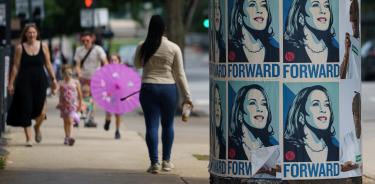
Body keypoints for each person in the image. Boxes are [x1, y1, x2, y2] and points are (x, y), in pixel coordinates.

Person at [134, 15, 192, 174]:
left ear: (150, 28)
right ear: (164, 29)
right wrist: (187, 96)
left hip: (148, 89)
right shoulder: (174, 48)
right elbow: (180, 74)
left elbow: (137, 64)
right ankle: (166, 162)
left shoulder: (143, 46)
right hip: (168, 90)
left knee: (151, 126)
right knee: (168, 125)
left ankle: (154, 163)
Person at [7, 23, 58, 147]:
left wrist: (53, 79)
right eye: (29, 32)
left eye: (33, 32)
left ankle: (37, 127)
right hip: (24, 82)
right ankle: (29, 139)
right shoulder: (20, 48)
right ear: (25, 34)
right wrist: (11, 83)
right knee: (26, 109)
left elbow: (48, 64)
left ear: (37, 34)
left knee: (41, 111)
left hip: (40, 81)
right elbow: (15, 67)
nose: (31, 34)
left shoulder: (43, 46)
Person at [228, 84, 279, 176]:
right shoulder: (230, 146)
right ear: (240, 114)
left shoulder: (272, 149)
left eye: (264, 104)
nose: (260, 109)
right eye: (252, 103)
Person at [284, 85, 339, 162]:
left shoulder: (337, 152)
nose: (323, 110)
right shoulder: (286, 149)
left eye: (326, 105)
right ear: (301, 117)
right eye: (315, 104)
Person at [74, 31, 108, 127]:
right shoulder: (79, 50)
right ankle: (80, 115)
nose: (85, 42)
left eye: (87, 40)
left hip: (96, 78)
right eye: (83, 40)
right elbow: (77, 65)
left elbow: (105, 62)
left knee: (93, 99)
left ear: (92, 39)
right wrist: (79, 72)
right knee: (84, 97)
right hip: (84, 77)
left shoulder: (98, 49)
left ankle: (90, 118)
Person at [56, 65, 82, 146]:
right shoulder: (61, 83)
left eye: (70, 73)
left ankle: (70, 137)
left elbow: (80, 95)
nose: (68, 75)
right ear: (63, 74)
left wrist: (80, 105)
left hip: (72, 105)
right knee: (65, 121)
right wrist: (54, 90)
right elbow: (56, 91)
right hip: (63, 105)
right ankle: (66, 136)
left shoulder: (75, 82)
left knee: (70, 121)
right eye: (66, 73)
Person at [104, 54, 124, 139]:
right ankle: (108, 121)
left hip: (119, 94)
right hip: (109, 94)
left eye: (115, 60)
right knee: (109, 112)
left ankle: (117, 131)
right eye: (111, 60)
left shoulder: (123, 71)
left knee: (118, 114)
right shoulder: (107, 71)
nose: (113, 62)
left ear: (119, 61)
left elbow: (126, 82)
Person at [210, 83, 226, 159]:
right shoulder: (215, 141)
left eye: (219, 103)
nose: (217, 108)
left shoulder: (224, 144)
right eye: (215, 102)